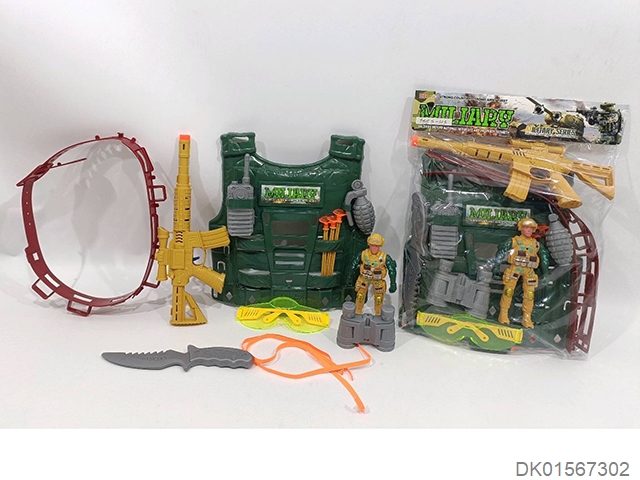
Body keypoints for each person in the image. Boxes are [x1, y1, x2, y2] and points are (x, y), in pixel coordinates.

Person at [494, 218, 549, 329]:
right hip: (515, 269)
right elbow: (501, 251)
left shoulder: (536, 244)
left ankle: (527, 318)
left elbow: (544, 257)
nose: (528, 230)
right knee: (508, 291)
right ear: (521, 228)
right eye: (526, 227)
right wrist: (496, 267)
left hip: (529, 271)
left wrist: (545, 273)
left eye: (531, 228)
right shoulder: (514, 241)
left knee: (530, 295)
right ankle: (503, 314)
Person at [348, 233, 397, 316]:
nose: (374, 248)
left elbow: (392, 270)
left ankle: (378, 314)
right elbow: (353, 265)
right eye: (372, 245)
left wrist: (393, 284)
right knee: (360, 296)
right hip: (364, 279)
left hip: (378, 280)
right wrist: (349, 277)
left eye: (376, 246)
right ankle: (358, 312)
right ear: (369, 244)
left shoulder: (384, 257)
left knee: (379, 298)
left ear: (380, 246)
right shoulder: (363, 254)